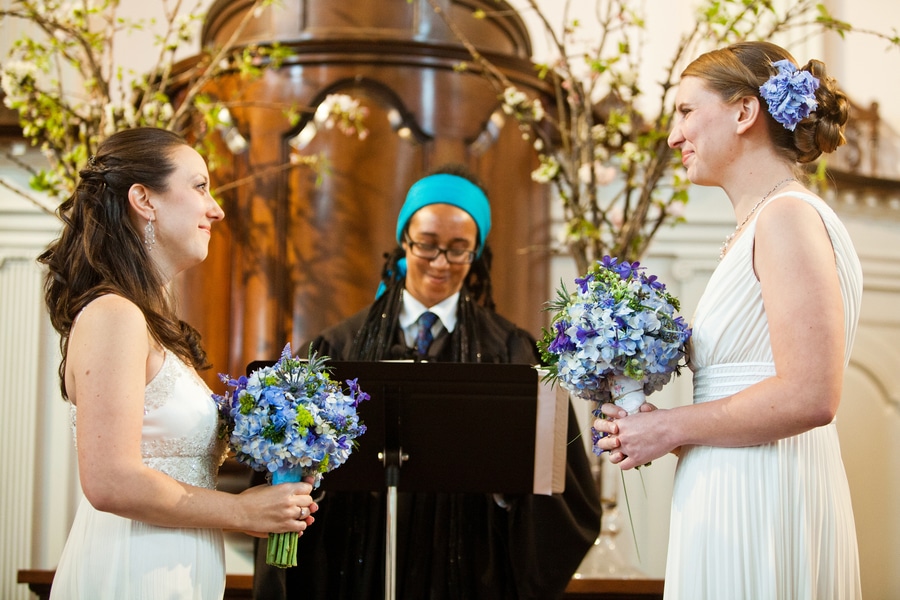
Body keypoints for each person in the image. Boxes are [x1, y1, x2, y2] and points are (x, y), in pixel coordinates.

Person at [253, 165, 601, 599]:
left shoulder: (513, 353)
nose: (441, 263)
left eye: (459, 250)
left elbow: (562, 490)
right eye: (427, 246)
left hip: (469, 568)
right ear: (404, 241)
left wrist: (506, 495)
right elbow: (281, 468)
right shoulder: (336, 347)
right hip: (358, 565)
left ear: (477, 252)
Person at [595, 41, 862, 599]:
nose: (673, 136)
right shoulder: (760, 224)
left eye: (687, 111)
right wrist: (652, 430)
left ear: (745, 112)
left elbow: (812, 394)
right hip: (730, 483)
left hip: (765, 494)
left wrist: (668, 427)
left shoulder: (787, 217)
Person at [39, 127, 318, 599]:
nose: (217, 208)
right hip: (134, 569)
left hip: (179, 564)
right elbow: (109, 481)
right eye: (200, 186)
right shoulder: (113, 315)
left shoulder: (152, 325)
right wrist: (242, 511)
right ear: (144, 199)